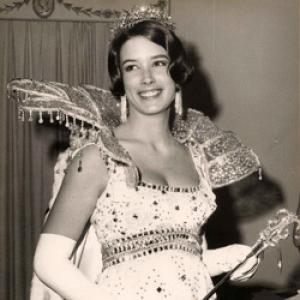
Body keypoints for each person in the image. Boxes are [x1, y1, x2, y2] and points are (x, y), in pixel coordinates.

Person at [9, 5, 262, 300]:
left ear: (177, 73)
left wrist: (230, 257)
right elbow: (49, 262)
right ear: (121, 80)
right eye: (132, 67)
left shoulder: (196, 157)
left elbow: (172, 257)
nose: (147, 78)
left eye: (158, 63)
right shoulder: (98, 156)